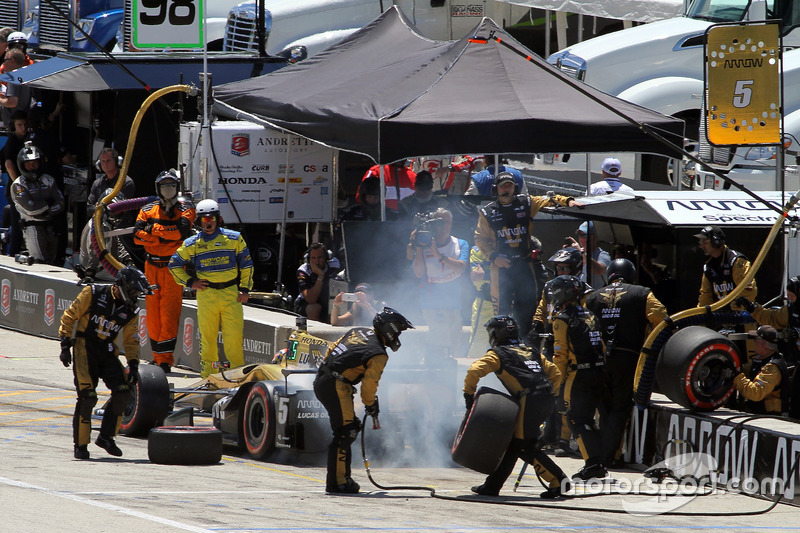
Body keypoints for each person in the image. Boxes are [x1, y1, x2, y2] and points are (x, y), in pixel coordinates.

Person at [464, 315, 570, 498]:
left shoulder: (497, 353)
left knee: (522, 445)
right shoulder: (530, 350)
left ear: (496, 333)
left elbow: (474, 370)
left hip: (530, 399)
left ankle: (559, 481)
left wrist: (468, 394)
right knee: (514, 444)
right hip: (544, 397)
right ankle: (492, 486)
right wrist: (550, 395)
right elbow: (555, 373)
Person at [313, 307, 413, 494]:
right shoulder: (379, 354)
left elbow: (331, 350)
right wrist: (371, 404)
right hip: (335, 385)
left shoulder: (357, 330)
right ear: (390, 329)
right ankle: (337, 483)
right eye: (398, 331)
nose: (398, 335)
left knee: (350, 427)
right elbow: (369, 386)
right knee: (346, 432)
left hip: (323, 379)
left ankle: (343, 478)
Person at [58, 266, 152, 459]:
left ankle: (106, 437)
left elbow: (131, 339)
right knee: (88, 396)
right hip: (84, 347)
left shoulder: (132, 309)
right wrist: (65, 344)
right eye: (134, 291)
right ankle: (81, 445)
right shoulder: (93, 292)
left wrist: (133, 364)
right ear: (121, 286)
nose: (135, 296)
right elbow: (70, 316)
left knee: (124, 391)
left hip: (107, 350)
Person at [584, 259, 668, 466]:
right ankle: (608, 457)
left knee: (603, 408)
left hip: (597, 359)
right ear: (631, 274)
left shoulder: (593, 296)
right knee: (620, 408)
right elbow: (662, 319)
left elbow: (582, 326)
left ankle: (599, 455)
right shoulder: (641, 293)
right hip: (627, 357)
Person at [474, 172, 579, 338]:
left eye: (509, 185)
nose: (506, 189)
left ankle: (525, 345)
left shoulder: (526, 202)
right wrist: (494, 257)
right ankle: (498, 348)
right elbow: (480, 238)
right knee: (501, 311)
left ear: (514, 187)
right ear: (496, 189)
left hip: (524, 265)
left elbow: (548, 199)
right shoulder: (487, 212)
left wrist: (568, 201)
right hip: (501, 268)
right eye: (502, 186)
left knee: (529, 306)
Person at [169, 199, 254, 379]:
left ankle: (236, 378)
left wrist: (245, 289)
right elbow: (174, 265)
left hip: (231, 294)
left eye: (212, 218)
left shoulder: (234, 238)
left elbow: (247, 264)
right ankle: (209, 377)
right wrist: (191, 283)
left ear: (218, 218)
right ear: (198, 222)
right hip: (206, 295)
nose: (208, 222)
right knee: (207, 340)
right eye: (204, 219)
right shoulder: (192, 243)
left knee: (234, 341)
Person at [529, 246, 589, 456]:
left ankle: (564, 440)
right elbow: (542, 308)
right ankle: (548, 435)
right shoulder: (548, 287)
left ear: (576, 268)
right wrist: (536, 325)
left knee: (564, 394)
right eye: (559, 268)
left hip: (570, 345)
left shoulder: (584, 289)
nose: (562, 271)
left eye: (566, 268)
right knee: (547, 390)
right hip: (549, 341)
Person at [134, 170, 196, 372]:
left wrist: (154, 233)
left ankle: (165, 361)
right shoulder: (147, 209)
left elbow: (182, 232)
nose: (167, 189)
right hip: (151, 266)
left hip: (173, 267)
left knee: (169, 312)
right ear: (157, 188)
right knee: (152, 312)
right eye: (164, 185)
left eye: (171, 185)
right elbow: (137, 237)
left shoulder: (186, 208)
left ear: (177, 187)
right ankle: (156, 356)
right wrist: (166, 237)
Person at [550, 275, 608, 481]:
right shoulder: (590, 314)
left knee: (575, 418)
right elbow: (601, 347)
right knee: (588, 419)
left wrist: (556, 381)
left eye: (555, 290)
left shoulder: (562, 319)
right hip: (598, 372)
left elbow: (560, 355)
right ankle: (597, 462)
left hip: (578, 374)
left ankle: (593, 465)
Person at [407, 207, 469, 362]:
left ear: (451, 223)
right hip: (431, 301)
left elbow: (461, 267)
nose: (442, 226)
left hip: (454, 302)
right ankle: (433, 368)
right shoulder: (424, 241)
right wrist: (419, 247)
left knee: (454, 342)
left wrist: (439, 256)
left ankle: (449, 371)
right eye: (438, 222)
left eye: (445, 222)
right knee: (438, 338)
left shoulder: (459, 243)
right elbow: (418, 273)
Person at [11, 142, 65, 264]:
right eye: (28, 164)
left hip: (51, 226)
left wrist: (48, 211)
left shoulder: (49, 180)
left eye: (35, 163)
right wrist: (48, 203)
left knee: (52, 263)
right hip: (32, 227)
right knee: (39, 262)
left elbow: (61, 203)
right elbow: (31, 208)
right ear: (22, 165)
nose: (32, 166)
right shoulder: (18, 184)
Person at [733, 325, 790, 415]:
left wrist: (736, 377)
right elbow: (746, 369)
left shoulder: (772, 368)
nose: (753, 342)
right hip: (758, 415)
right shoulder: (762, 359)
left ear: (763, 344)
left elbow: (756, 393)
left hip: (770, 419)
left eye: (755, 340)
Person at [696, 225, 757, 310]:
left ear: (716, 241)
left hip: (741, 319)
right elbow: (705, 297)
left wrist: (735, 313)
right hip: (721, 320)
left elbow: (748, 292)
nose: (701, 246)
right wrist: (700, 315)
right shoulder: (708, 267)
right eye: (700, 242)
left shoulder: (736, 261)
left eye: (704, 242)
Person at [294, 242, 341, 322]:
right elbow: (311, 299)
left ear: (326, 258)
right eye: (313, 258)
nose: (317, 262)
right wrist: (320, 277)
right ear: (309, 259)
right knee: (314, 308)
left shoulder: (334, 265)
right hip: (307, 303)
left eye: (320, 258)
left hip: (329, 299)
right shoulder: (303, 271)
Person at [2, 109, 28, 255]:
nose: (23, 128)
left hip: (24, 188)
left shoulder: (26, 139)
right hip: (15, 189)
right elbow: (9, 165)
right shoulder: (12, 141)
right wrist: (18, 184)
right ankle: (12, 254)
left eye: (25, 124)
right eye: (20, 125)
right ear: (14, 125)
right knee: (17, 224)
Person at [86, 148, 136, 217]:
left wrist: (99, 207)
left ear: (116, 162)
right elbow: (89, 208)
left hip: (120, 225)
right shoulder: (97, 183)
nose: (105, 164)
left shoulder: (127, 182)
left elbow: (120, 209)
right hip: (99, 224)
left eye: (108, 160)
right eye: (103, 161)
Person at [565, 221, 611, 289]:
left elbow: (599, 270)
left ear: (595, 237)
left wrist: (581, 252)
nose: (581, 239)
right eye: (580, 235)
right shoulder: (577, 253)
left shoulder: (603, 255)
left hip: (595, 295)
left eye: (584, 235)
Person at [467, 245, 494, 357]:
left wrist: (487, 274)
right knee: (478, 341)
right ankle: (472, 371)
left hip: (507, 301)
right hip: (485, 303)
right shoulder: (477, 249)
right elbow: (477, 278)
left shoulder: (508, 246)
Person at [0, 50, 33, 129]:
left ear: (12, 62)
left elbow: (12, 103)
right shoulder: (24, 76)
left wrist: (0, 100)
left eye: (5, 61)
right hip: (22, 124)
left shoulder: (13, 77)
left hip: (12, 127)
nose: (3, 64)